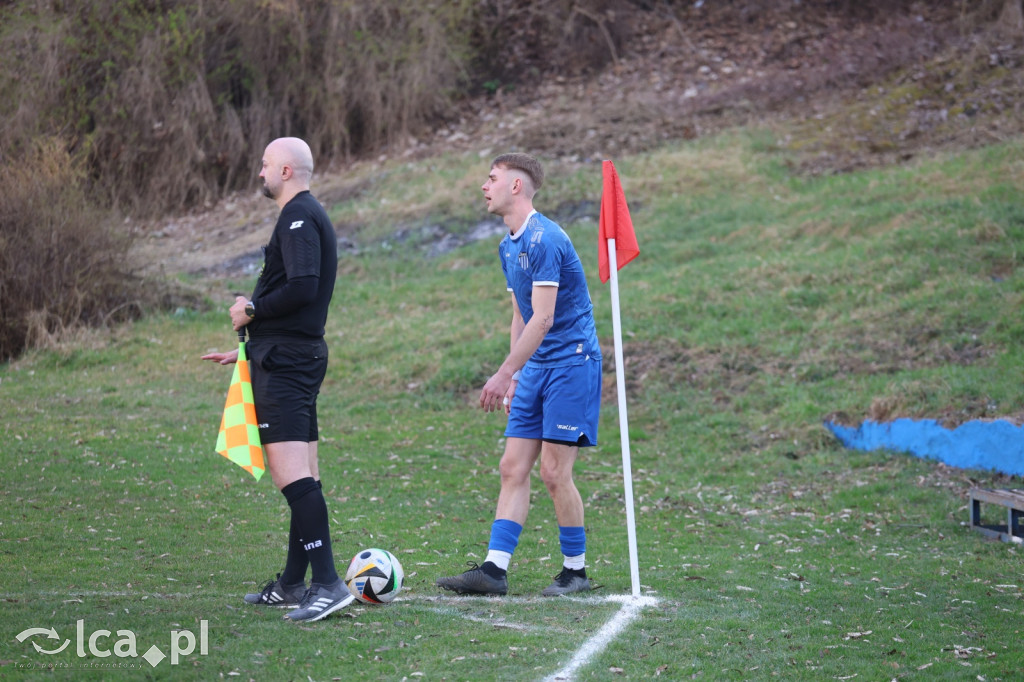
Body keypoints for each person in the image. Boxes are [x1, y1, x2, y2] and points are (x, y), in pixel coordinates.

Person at [436, 153, 602, 597]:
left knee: (553, 472)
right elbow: (520, 313)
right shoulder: (508, 245)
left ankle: (576, 571)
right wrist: (515, 374)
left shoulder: (545, 238)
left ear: (516, 186)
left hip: (572, 363)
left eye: (491, 179)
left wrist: (503, 371)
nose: (484, 186)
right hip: (536, 366)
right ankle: (494, 570)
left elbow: (544, 319)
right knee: (512, 467)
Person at [201, 137, 352, 622]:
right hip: (288, 355)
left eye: (265, 164)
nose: (259, 172)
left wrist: (250, 310)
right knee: (305, 473)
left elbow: (303, 287)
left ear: (286, 170)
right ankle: (292, 584)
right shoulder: (304, 214)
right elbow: (296, 292)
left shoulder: (297, 217)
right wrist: (247, 346)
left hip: (287, 363)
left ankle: (328, 584)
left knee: (294, 478)